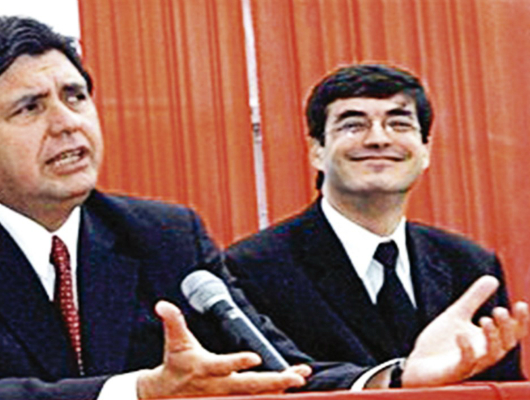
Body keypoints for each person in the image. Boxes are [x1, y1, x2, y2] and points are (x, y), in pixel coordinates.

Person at [0, 17, 524, 399]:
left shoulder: (161, 234)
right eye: (30, 108)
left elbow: (273, 367)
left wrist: (399, 376)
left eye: (76, 97)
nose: (68, 124)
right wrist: (140, 392)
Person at [225, 64, 529, 387]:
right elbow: (276, 382)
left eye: (399, 124)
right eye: (353, 125)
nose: (379, 139)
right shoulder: (252, 268)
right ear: (317, 151)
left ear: (425, 150)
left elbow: (503, 388)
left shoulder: (470, 266)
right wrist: (398, 378)